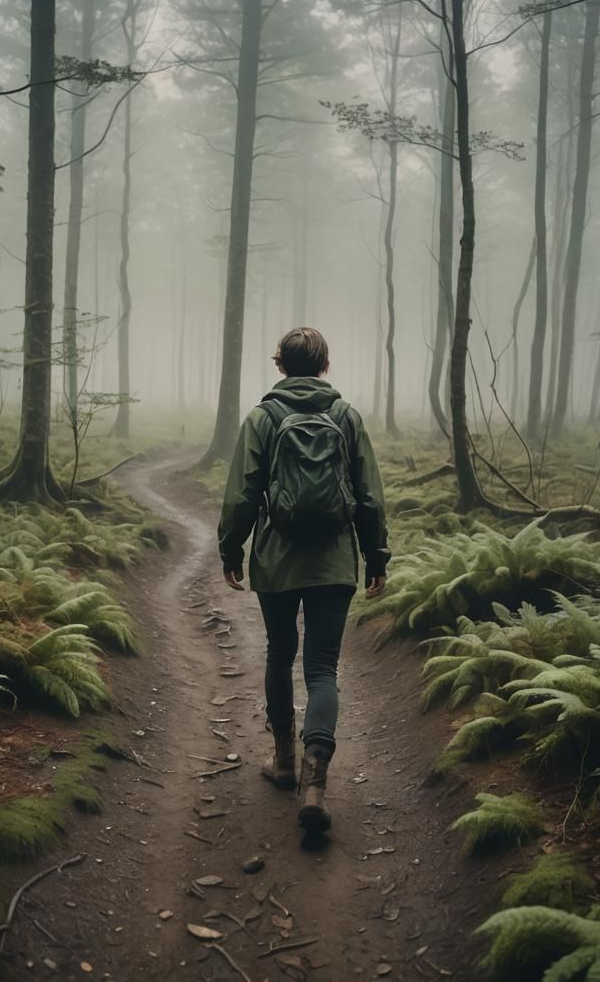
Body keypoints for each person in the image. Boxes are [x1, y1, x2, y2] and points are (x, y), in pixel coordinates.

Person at [217, 327, 390, 833]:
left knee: (278, 652)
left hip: (276, 560)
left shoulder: (263, 418)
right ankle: (315, 782)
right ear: (325, 366)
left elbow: (242, 494)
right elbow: (370, 494)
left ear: (281, 366)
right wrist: (376, 556)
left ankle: (285, 762)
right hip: (335, 563)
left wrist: (232, 547)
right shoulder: (346, 417)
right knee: (321, 669)